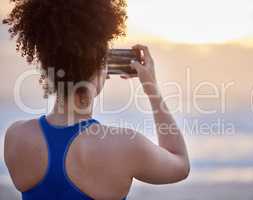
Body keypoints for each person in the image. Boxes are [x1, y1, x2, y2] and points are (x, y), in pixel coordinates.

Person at [3, 0, 190, 199]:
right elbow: (180, 164)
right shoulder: (125, 145)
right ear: (100, 68)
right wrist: (152, 89)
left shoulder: (16, 137)